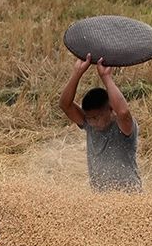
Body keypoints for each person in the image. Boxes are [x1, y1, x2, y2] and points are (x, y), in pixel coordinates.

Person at [58, 56, 142, 192]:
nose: (92, 122)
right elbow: (65, 105)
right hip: (100, 200)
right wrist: (77, 72)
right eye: (89, 118)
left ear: (110, 110)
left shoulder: (123, 127)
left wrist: (106, 77)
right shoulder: (88, 124)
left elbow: (124, 111)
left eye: (96, 117)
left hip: (129, 197)